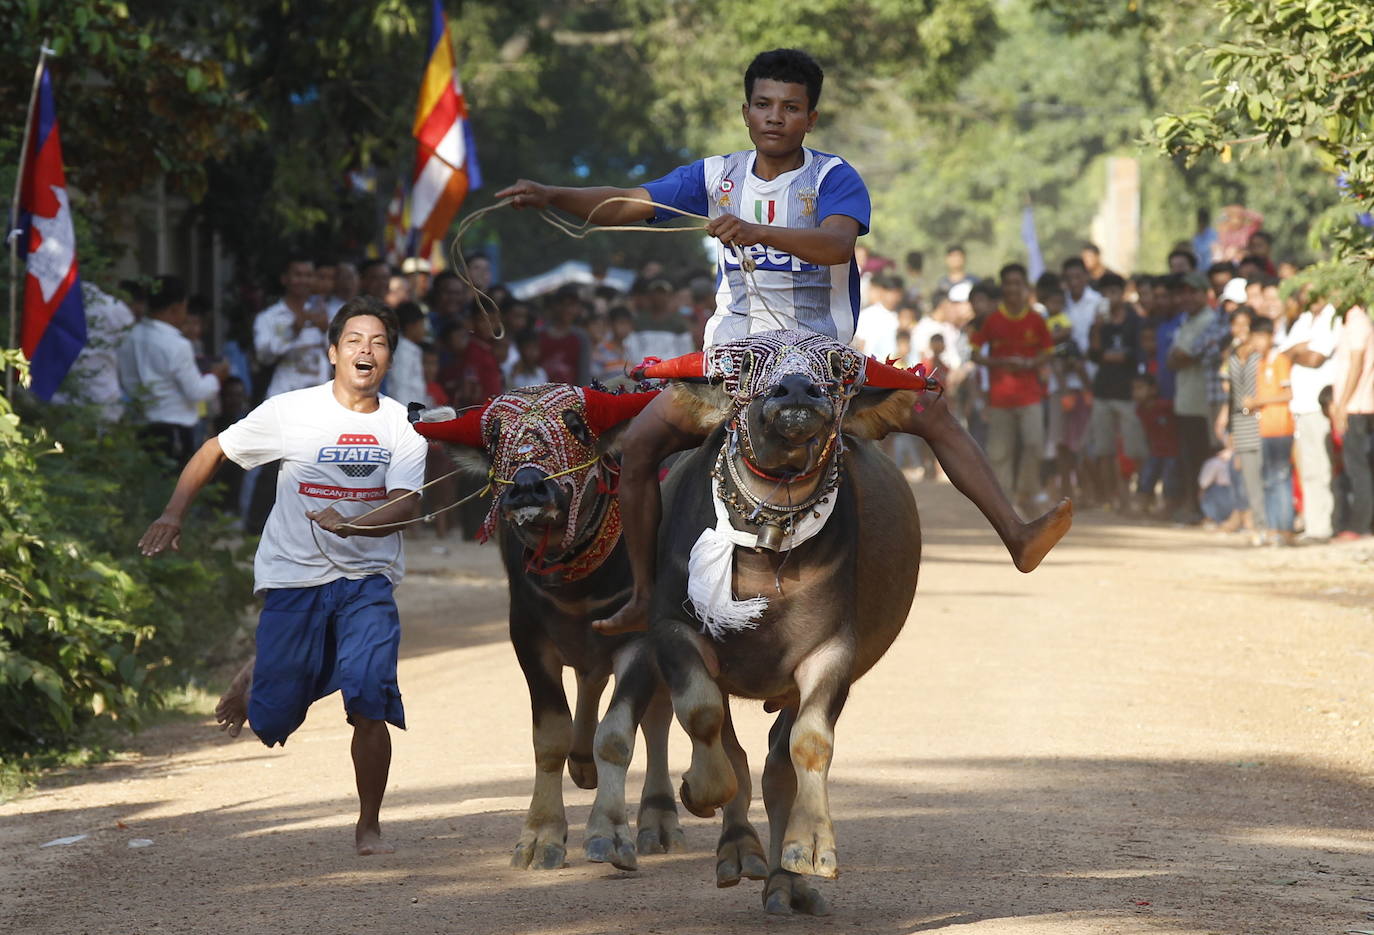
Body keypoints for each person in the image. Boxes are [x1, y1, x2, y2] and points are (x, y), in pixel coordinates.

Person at [496, 48, 1070, 634]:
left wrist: (754, 230)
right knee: (640, 446)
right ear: (745, 111)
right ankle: (645, 594)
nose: (776, 117)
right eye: (764, 105)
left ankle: (1017, 536)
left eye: (791, 108)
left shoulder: (834, 178)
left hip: (822, 357)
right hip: (731, 361)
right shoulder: (714, 176)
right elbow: (630, 203)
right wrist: (551, 194)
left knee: (931, 409)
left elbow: (836, 246)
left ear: (810, 119)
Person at [137, 297, 426, 856]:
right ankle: (261, 670)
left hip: (367, 579)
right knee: (272, 720)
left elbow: (408, 504)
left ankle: (369, 825)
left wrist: (355, 523)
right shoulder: (291, 411)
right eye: (354, 341)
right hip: (294, 578)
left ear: (389, 358)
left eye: (379, 343)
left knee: (370, 697)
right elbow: (213, 449)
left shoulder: (401, 428)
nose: (366, 351)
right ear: (332, 353)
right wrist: (173, 513)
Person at [117, 275, 230, 469]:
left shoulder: (128, 336)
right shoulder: (177, 344)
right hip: (172, 429)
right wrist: (216, 377)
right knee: (174, 489)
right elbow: (196, 392)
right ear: (176, 308)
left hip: (137, 424)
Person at [973, 263, 1054, 511]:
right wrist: (998, 362)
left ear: (1025, 287)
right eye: (1008, 283)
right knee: (1000, 453)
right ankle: (1004, 505)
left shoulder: (1036, 320)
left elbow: (1047, 352)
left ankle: (1024, 492)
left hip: (1030, 395)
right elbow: (975, 354)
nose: (1013, 288)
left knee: (1034, 444)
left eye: (1017, 283)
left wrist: (1031, 362)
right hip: (1000, 398)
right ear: (1003, 287)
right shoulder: (993, 321)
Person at [1165, 271, 1222, 523]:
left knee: (1200, 456)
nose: (1187, 297)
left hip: (1202, 402)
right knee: (1188, 457)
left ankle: (1200, 508)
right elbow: (1173, 359)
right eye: (1183, 292)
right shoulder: (1186, 321)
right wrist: (1180, 357)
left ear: (1206, 294)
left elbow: (1183, 356)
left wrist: (1180, 357)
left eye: (1193, 292)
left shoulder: (1209, 320)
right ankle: (1192, 506)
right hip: (1186, 399)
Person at [1281, 297, 1339, 541]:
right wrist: (1299, 350)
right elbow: (1284, 352)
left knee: (1323, 468)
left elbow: (1316, 358)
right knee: (1308, 470)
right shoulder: (1304, 320)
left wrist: (1296, 351)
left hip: (1319, 406)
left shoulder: (1332, 318)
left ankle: (1324, 526)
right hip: (1300, 406)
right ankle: (1313, 525)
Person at [1087, 272, 1145, 509]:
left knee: (1133, 448)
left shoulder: (1135, 321)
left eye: (1113, 292)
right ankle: (1111, 496)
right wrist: (1098, 330)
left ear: (1122, 293)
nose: (1109, 297)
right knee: (1104, 449)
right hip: (1103, 391)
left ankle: (1132, 495)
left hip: (1127, 393)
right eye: (1105, 293)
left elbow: (1134, 354)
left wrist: (1110, 356)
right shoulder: (1100, 325)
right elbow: (1093, 354)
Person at [53, 282, 136, 422]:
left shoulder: (50, 302)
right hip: (103, 398)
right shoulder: (116, 309)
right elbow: (127, 357)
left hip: (57, 398)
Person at [1247, 317, 1296, 544]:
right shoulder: (1259, 362)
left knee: (1280, 477)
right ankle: (1272, 528)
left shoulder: (1280, 361)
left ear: (1270, 337)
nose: (1256, 342)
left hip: (1280, 428)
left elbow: (1288, 394)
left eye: (1260, 337)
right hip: (1263, 428)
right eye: (1253, 337)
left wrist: (1258, 401)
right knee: (1267, 479)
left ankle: (1285, 528)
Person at [255, 255, 330, 399]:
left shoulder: (323, 314)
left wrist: (327, 331)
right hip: (284, 397)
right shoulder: (268, 318)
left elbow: (339, 357)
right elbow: (263, 356)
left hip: (319, 399)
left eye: (308, 275)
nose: (303, 280)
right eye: (298, 275)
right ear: (284, 279)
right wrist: (293, 331)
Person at [1329, 304, 1374, 539]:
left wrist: (1342, 405)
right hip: (1359, 405)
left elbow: (1356, 364)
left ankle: (1360, 525)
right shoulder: (1356, 319)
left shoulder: (1356, 319)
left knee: (1359, 470)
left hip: (1357, 407)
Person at [853, 272, 902, 363]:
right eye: (891, 292)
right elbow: (860, 344)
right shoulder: (868, 315)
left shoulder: (901, 317)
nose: (893, 296)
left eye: (897, 293)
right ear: (883, 291)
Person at [388, 302, 429, 409]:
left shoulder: (412, 349)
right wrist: (405, 415)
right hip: (405, 411)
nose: (424, 329)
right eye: (422, 324)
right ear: (411, 326)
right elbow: (401, 386)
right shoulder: (402, 352)